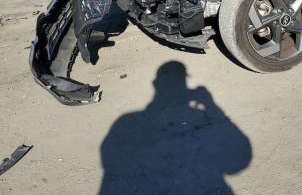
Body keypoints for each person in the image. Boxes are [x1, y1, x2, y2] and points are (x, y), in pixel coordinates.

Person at [99, 61, 251, 195]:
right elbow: (240, 160)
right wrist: (211, 105)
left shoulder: (125, 121)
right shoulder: (196, 114)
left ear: (156, 84)